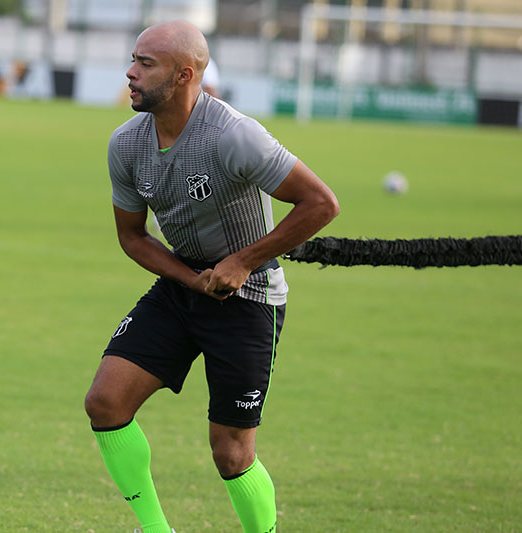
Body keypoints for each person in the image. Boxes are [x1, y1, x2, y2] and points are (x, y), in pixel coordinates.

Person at [84, 20, 339, 533]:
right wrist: (189, 278)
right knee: (105, 402)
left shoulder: (234, 135)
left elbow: (321, 203)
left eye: (145, 64)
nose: (130, 73)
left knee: (231, 452)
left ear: (183, 75)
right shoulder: (126, 144)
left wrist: (242, 262)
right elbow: (132, 237)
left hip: (250, 297)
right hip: (183, 288)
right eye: (133, 60)